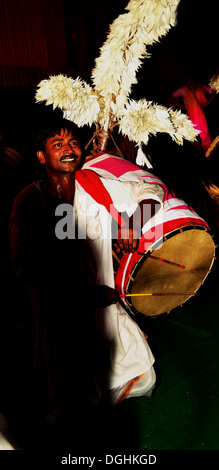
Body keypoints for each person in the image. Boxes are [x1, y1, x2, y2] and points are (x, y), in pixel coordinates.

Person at [9, 116, 165, 423]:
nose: (68, 149)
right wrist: (83, 293)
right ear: (41, 156)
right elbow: (23, 267)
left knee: (145, 378)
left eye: (74, 142)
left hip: (106, 316)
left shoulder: (93, 184)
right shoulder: (28, 201)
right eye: (57, 144)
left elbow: (151, 190)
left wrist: (131, 224)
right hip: (60, 326)